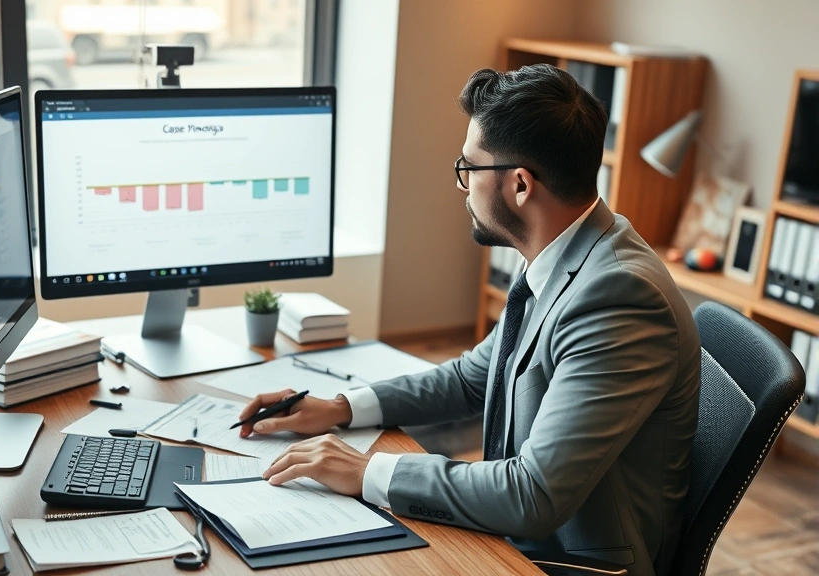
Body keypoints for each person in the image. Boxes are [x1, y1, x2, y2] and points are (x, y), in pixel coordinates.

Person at [239, 64, 700, 576]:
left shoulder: (619, 297)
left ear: (521, 185)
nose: (462, 187)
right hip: (517, 536)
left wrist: (368, 470)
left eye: (469, 168)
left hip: (567, 561)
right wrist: (340, 408)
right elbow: (473, 375)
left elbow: (533, 494)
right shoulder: (565, 254)